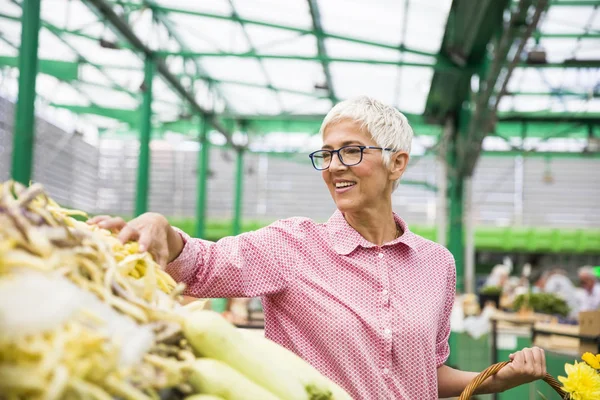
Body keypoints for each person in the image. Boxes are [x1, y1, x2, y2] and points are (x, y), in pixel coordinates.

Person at [89, 96, 547, 399]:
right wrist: (161, 231)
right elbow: (205, 264)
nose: (333, 166)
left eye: (350, 151)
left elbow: (428, 375)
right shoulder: (291, 245)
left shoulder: (437, 264)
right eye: (326, 154)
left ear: (397, 163)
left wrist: (497, 378)